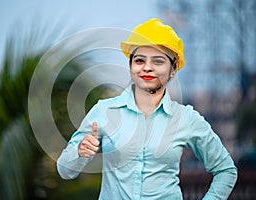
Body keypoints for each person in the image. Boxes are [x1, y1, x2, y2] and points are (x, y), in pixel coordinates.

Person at [57, 18, 237, 199]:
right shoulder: (105, 111)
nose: (147, 68)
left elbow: (226, 170)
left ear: (173, 70)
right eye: (139, 60)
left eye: (158, 61)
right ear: (130, 65)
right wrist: (79, 153)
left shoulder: (186, 118)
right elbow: (65, 170)